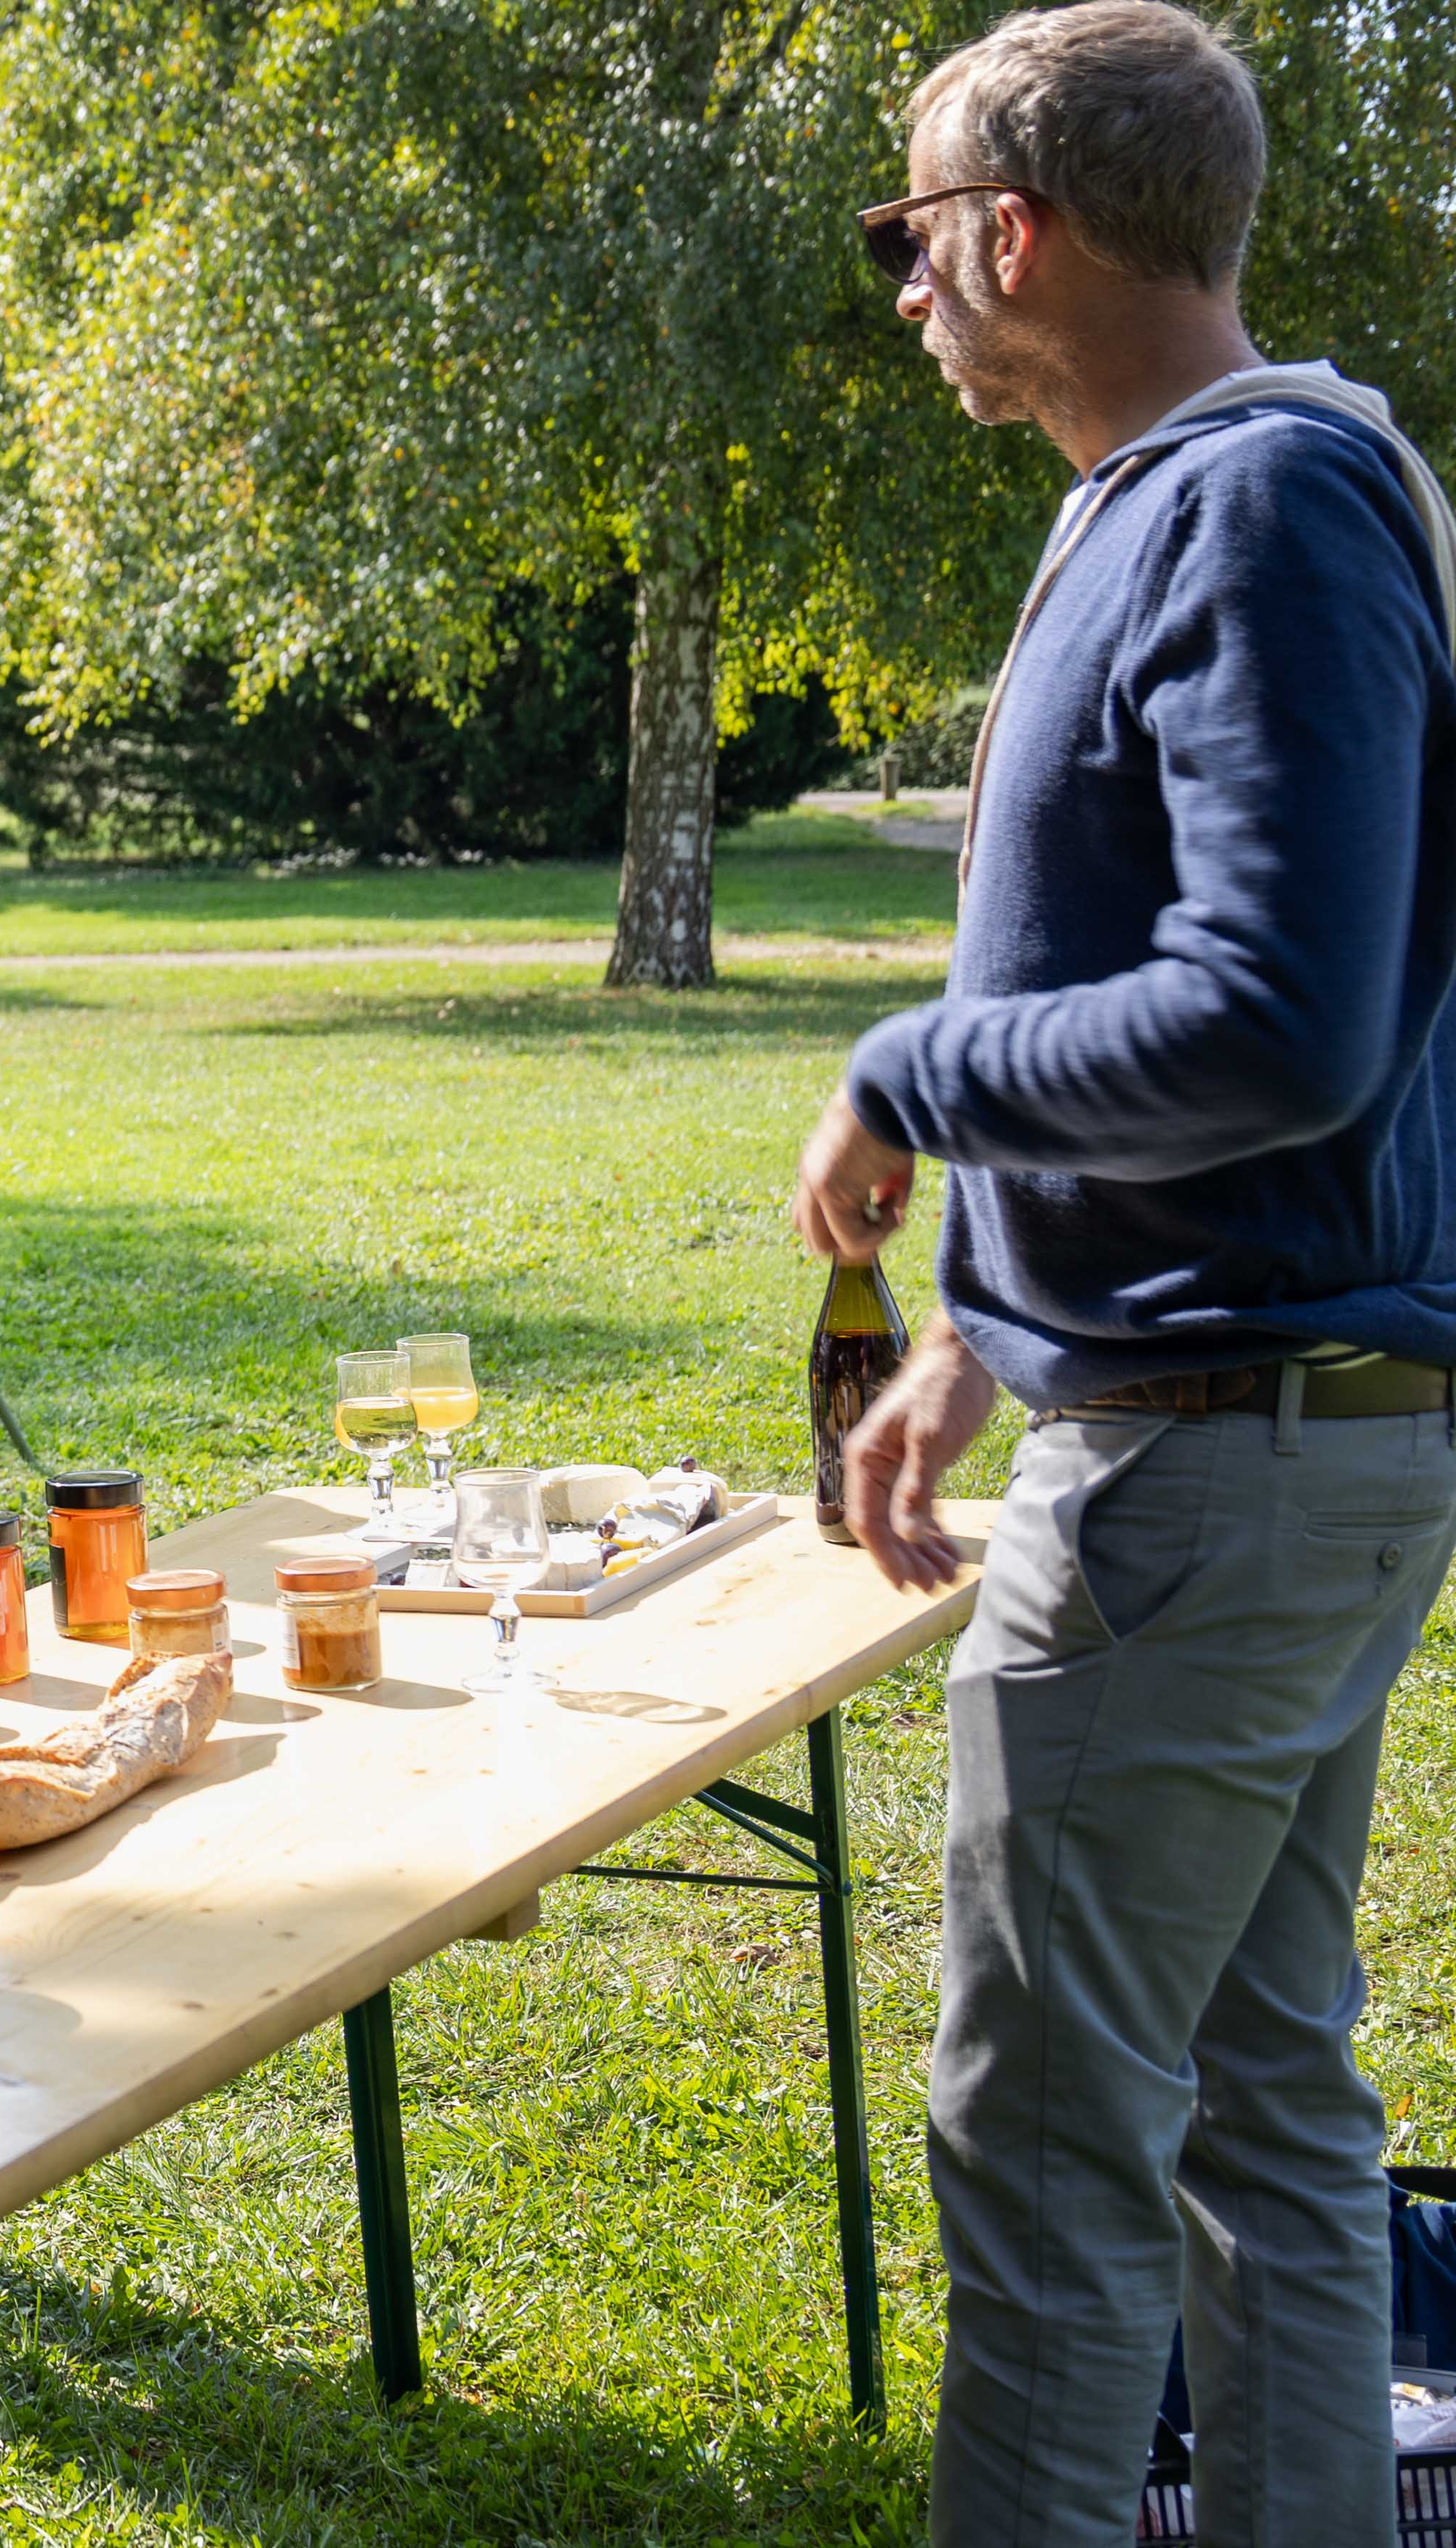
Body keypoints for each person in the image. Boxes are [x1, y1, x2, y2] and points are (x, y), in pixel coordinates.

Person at [791, 10, 1456, 2542]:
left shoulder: (1258, 507)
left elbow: (1279, 1020)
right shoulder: (1219, 493)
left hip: (1212, 1501)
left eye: (907, 233)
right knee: (1270, 2116)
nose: (905, 294)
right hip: (1281, 1450)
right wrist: (983, 1324)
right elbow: (1317, 1038)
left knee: (1055, 2173)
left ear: (1014, 225)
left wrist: (914, 1069)